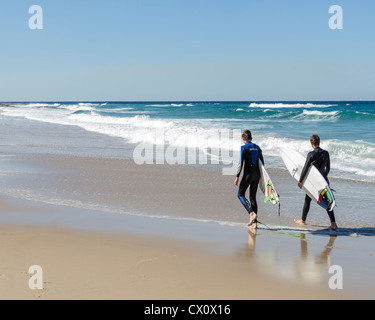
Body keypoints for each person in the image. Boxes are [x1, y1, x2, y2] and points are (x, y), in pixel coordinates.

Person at [294, 134, 338, 230]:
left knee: (307, 200)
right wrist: (323, 178)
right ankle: (333, 223)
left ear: (311, 143)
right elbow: (328, 168)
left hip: (313, 182)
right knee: (327, 201)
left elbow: (305, 168)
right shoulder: (326, 153)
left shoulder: (311, 154)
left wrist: (300, 181)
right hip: (323, 181)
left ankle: (303, 220)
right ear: (319, 142)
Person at [234, 130, 264, 228]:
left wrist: (237, 176)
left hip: (248, 175)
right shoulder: (258, 148)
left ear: (243, 139)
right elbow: (262, 163)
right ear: (251, 138)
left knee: (240, 194)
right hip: (257, 175)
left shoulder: (243, 148)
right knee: (252, 197)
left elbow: (240, 164)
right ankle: (254, 223)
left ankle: (251, 214)